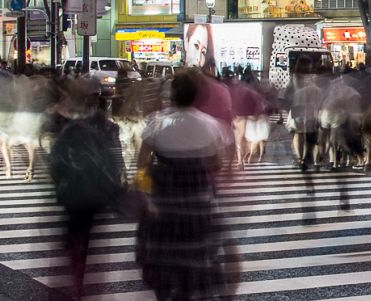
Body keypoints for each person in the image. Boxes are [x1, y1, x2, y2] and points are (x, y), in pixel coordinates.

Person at [135, 70, 234, 301]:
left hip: (164, 201)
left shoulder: (157, 122)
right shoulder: (210, 125)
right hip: (197, 201)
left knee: (163, 257)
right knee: (199, 255)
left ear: (172, 94)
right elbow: (217, 163)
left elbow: (141, 162)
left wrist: (145, 187)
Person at [50, 78, 125, 301]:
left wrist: (59, 183)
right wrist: (118, 182)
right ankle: (83, 287)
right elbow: (115, 157)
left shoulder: (68, 127)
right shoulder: (108, 126)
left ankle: (76, 286)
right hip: (97, 193)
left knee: (77, 241)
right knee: (92, 242)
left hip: (74, 192)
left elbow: (57, 161)